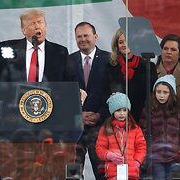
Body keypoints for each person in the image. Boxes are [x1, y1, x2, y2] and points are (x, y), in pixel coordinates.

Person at [69, 22, 110, 179]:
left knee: (102, 173)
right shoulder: (68, 61)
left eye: (86, 35)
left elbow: (113, 93)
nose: (82, 39)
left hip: (99, 127)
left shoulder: (109, 60)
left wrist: (100, 114)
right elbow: (63, 95)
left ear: (95, 36)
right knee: (72, 174)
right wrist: (79, 114)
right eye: (79, 36)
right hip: (75, 129)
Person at [0, 9, 75, 83]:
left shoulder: (60, 52)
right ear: (24, 30)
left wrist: (79, 90)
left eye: (40, 22)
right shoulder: (8, 49)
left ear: (45, 26)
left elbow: (70, 81)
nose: (37, 26)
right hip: (14, 101)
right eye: (32, 23)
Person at [139, 75, 180, 180]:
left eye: (165, 92)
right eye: (158, 92)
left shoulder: (178, 112)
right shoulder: (149, 111)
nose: (161, 95)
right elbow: (142, 134)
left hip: (175, 157)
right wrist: (146, 154)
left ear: (171, 93)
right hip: (156, 157)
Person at [102, 28, 157, 122]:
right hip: (118, 118)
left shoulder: (148, 66)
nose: (124, 44)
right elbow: (104, 92)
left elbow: (152, 94)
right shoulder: (111, 67)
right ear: (117, 46)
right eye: (121, 42)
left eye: (128, 41)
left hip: (142, 117)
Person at [96, 92, 146, 180]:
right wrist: (109, 155)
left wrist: (137, 162)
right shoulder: (106, 129)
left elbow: (141, 147)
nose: (122, 113)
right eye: (118, 110)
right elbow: (100, 148)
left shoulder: (135, 129)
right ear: (113, 111)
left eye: (124, 110)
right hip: (113, 173)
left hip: (132, 173)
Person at [156, 34, 180, 107]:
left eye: (173, 49)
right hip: (155, 117)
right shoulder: (151, 73)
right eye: (165, 48)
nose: (168, 52)